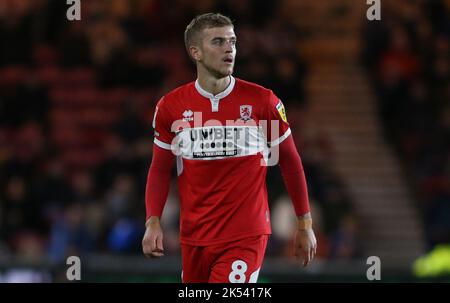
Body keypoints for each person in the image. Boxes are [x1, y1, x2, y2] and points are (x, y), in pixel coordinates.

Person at [142, 13, 317, 283]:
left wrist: (304, 224)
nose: (229, 49)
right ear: (195, 52)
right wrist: (152, 220)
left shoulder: (263, 103)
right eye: (219, 41)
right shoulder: (171, 107)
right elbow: (159, 168)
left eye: (233, 42)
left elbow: (290, 162)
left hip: (245, 236)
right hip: (194, 238)